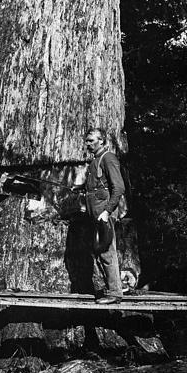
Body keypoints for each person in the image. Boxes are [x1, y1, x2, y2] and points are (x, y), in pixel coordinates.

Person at [83, 127, 125, 304]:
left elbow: (119, 188)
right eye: (87, 141)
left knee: (107, 251)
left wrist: (107, 212)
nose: (88, 144)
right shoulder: (95, 162)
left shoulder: (108, 158)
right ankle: (112, 287)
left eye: (91, 141)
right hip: (96, 213)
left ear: (101, 141)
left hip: (104, 213)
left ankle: (115, 293)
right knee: (100, 251)